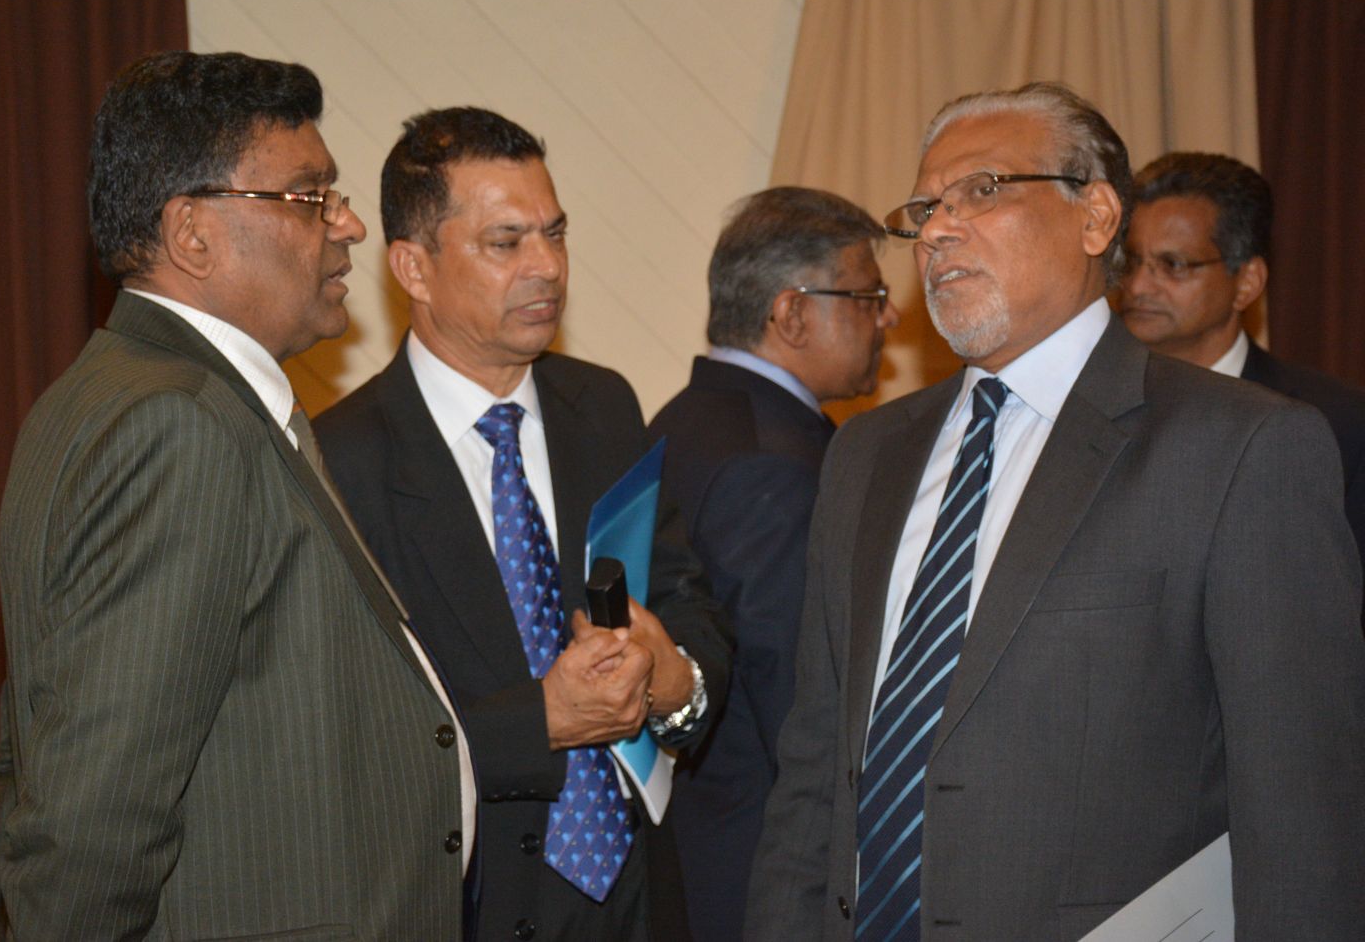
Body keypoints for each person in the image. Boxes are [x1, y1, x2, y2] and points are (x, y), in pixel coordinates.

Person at [746, 82, 1365, 941]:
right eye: (925, 209)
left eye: (981, 191)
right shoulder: (867, 453)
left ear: (1096, 217)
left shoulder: (1240, 448)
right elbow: (817, 767)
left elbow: (1302, 808)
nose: (938, 230)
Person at [0, 51, 473, 940]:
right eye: (309, 196)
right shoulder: (179, 425)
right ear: (192, 234)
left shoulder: (122, 391)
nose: (349, 224)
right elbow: (95, 820)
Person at [314, 106, 733, 942]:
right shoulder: (340, 463)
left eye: (556, 233)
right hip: (468, 903)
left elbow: (688, 610)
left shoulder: (602, 406)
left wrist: (670, 677)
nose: (547, 267)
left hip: (640, 902)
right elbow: (343, 741)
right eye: (506, 243)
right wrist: (540, 721)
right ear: (414, 267)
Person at [647, 187, 897, 942]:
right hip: (763, 873)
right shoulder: (773, 464)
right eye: (868, 297)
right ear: (791, 314)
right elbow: (804, 704)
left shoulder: (685, 417)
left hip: (700, 847)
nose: (887, 318)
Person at [1117, 150, 1365, 578]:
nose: (1138, 287)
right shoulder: (1088, 406)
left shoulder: (1337, 421)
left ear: (1247, 282)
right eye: (1132, 261)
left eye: (1173, 265)